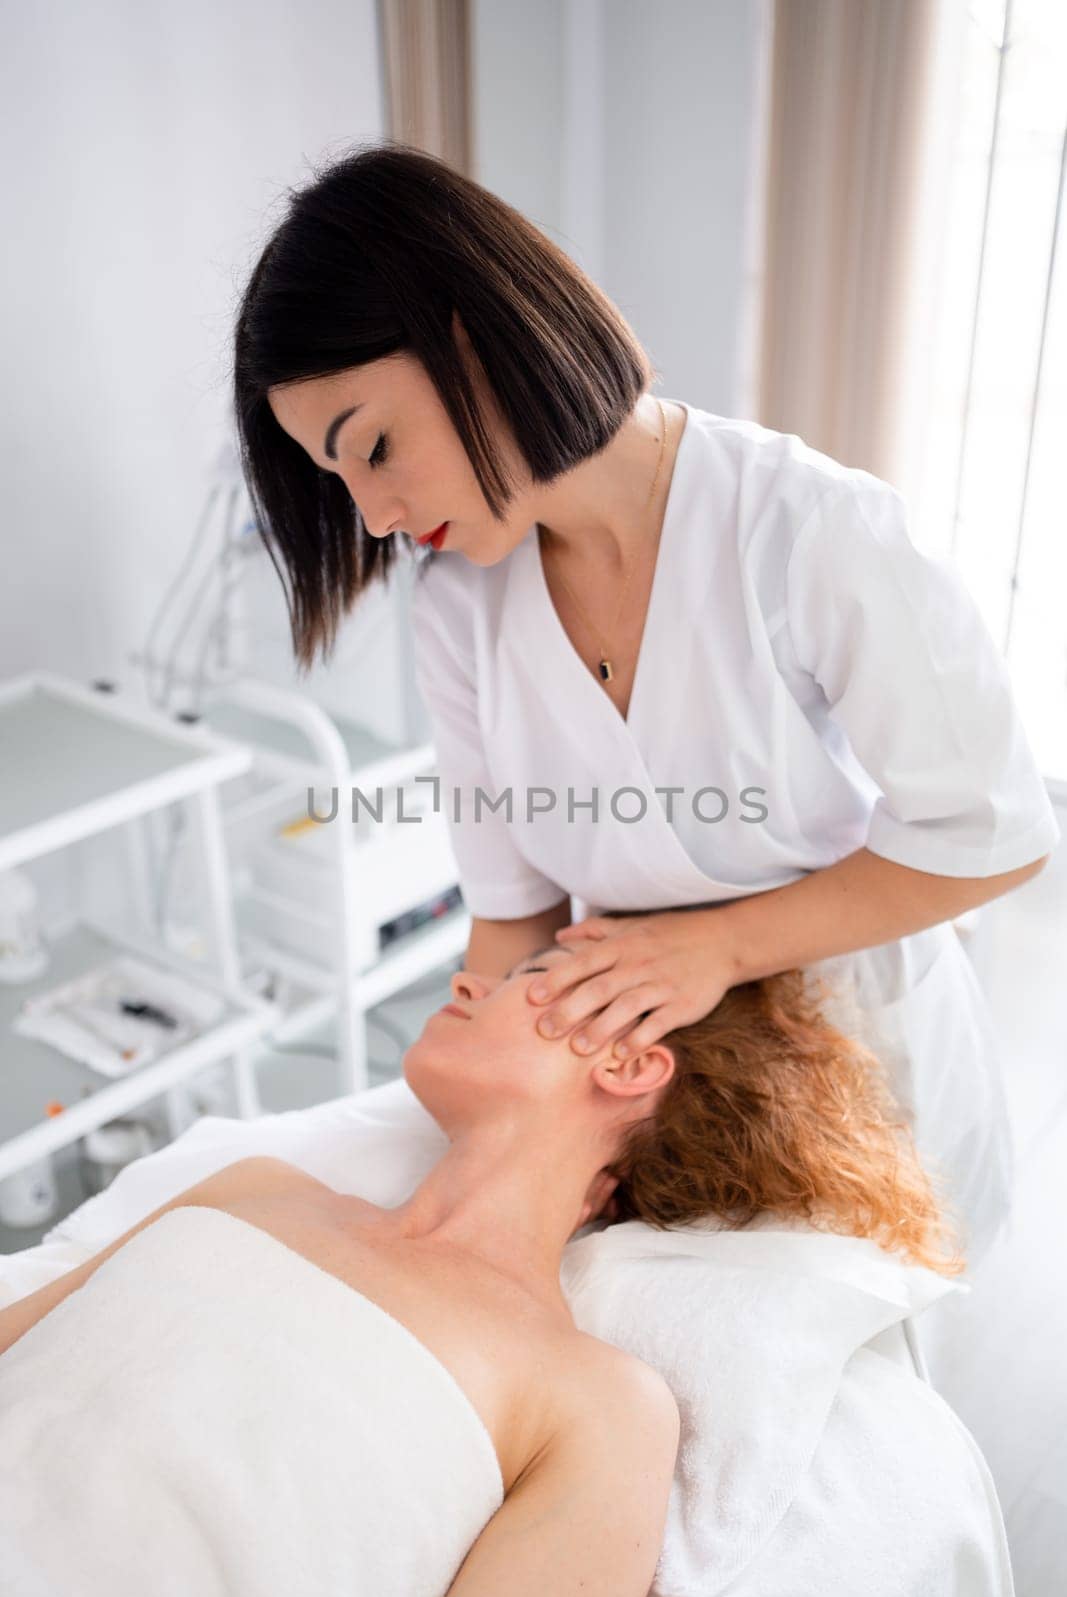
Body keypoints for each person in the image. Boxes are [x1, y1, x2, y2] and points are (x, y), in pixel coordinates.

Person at [234, 140, 1060, 1272]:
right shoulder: (461, 606)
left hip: (858, 1064)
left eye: (372, 448)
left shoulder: (806, 533)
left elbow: (994, 837)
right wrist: (478, 1145)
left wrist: (715, 946)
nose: (372, 515)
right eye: (340, 484)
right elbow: (512, 913)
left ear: (472, 337)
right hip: (645, 1112)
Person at [0, 939, 963, 1597]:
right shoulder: (253, 1186)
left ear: (629, 1061)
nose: (468, 984)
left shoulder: (599, 1407)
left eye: (533, 974)